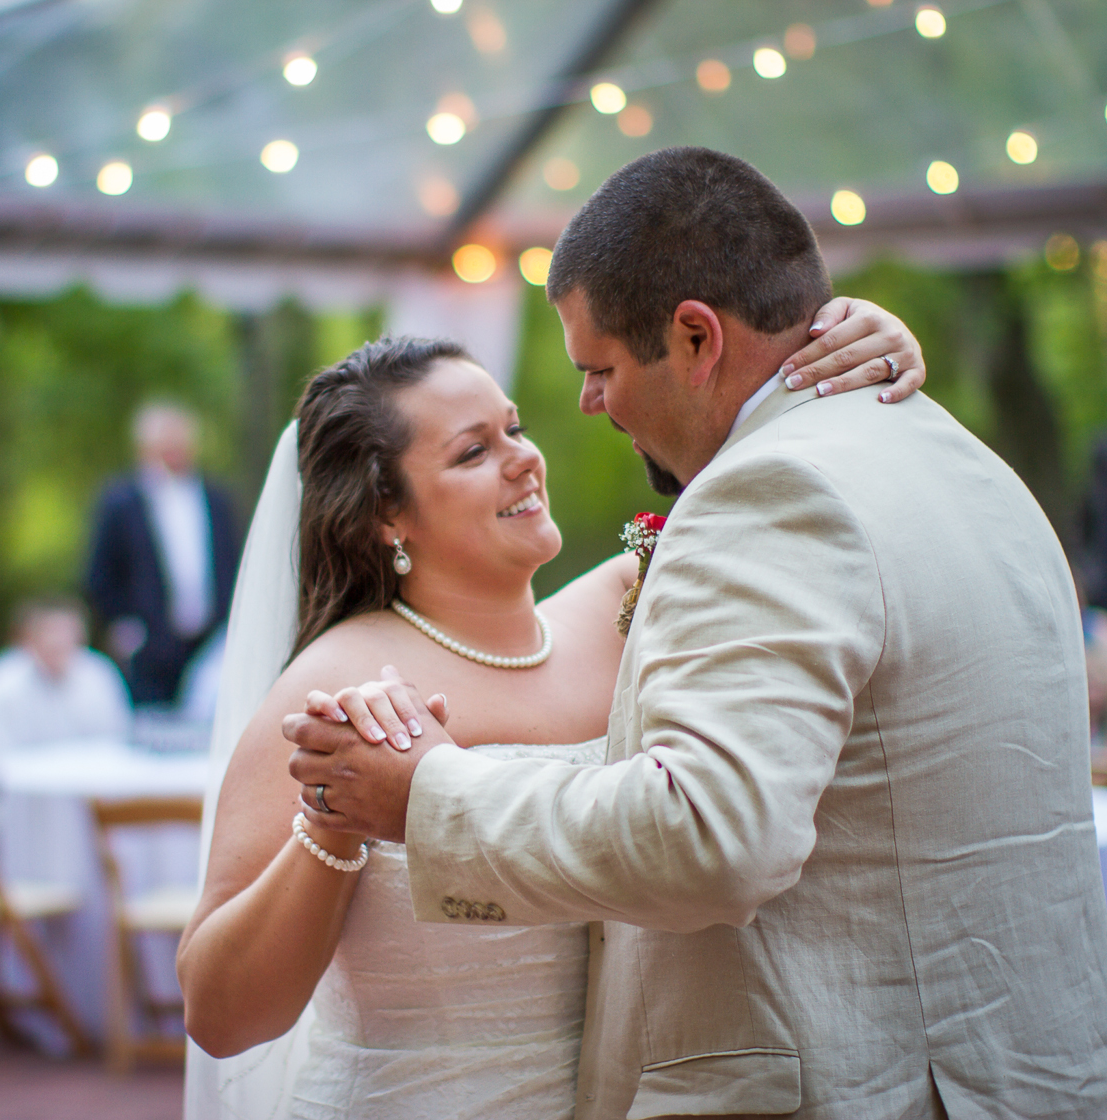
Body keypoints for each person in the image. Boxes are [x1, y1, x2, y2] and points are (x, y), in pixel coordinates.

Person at [286, 148, 1107, 1118]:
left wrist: (428, 790)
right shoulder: (970, 467)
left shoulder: (766, 495)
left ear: (692, 337)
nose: (585, 407)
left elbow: (712, 834)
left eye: (598, 368)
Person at [177, 289, 927, 1117]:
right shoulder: (336, 686)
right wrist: (329, 828)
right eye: (472, 453)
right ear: (387, 516)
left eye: (516, 429)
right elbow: (219, 1013)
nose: (524, 459)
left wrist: (858, 348)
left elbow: (782, 503)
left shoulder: (630, 603)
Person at [85, 402, 241, 705]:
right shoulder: (120, 501)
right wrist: (126, 624)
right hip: (150, 644)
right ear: (145, 447)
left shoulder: (216, 498)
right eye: (165, 444)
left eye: (180, 443)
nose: (174, 451)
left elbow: (231, 562)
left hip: (211, 643)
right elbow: (100, 573)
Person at [0, 596, 131, 819]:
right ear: (27, 638)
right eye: (50, 633)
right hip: (9, 806)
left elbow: (116, 740)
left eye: (66, 634)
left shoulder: (98, 675)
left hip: (88, 798)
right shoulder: (0, 684)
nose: (58, 642)